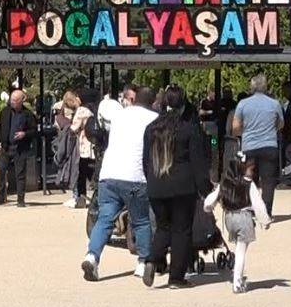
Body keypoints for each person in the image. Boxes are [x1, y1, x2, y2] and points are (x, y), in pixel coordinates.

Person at [82, 86, 159, 286]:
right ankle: (143, 262)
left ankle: (92, 256)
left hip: (109, 173)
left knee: (105, 219)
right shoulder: (153, 118)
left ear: (134, 100)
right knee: (141, 221)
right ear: (152, 102)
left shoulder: (119, 116)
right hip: (135, 176)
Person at [144, 87, 210, 289]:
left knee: (163, 227)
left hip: (157, 185)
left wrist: (151, 181)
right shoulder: (188, 128)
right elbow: (198, 162)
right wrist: (205, 189)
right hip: (182, 186)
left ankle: (151, 259)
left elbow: (146, 160)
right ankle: (176, 277)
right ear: (183, 104)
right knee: (181, 231)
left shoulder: (151, 128)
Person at [204, 157, 271, 293]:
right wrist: (265, 220)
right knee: (241, 251)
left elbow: (211, 199)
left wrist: (207, 207)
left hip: (229, 218)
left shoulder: (225, 183)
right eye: (250, 169)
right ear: (243, 169)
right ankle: (237, 282)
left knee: (238, 247)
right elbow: (258, 204)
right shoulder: (249, 184)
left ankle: (237, 280)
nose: (252, 172)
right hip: (244, 217)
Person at [230, 75, 284, 214]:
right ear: (266, 87)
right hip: (269, 145)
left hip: (249, 147)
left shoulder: (243, 104)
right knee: (268, 182)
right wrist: (271, 130)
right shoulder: (275, 103)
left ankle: (250, 209)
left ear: (251, 87)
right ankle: (266, 212)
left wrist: (245, 132)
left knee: (249, 180)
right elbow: (281, 124)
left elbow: (235, 127)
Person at [0, 89, 37, 206]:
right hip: (6, 146)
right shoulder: (5, 112)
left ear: (21, 101)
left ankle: (20, 199)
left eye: (14, 100)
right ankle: (1, 197)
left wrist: (24, 134)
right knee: (1, 170)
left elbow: (34, 131)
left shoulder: (28, 114)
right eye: (11, 99)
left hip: (20, 148)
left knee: (20, 173)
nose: (12, 102)